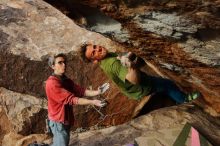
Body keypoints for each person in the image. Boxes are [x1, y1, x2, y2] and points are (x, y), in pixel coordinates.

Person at [79, 43, 200, 104]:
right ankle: (184, 100)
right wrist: (132, 65)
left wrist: (130, 55)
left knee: (163, 84)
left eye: (95, 47)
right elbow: (134, 80)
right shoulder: (111, 63)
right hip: (141, 87)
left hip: (133, 89)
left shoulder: (105, 59)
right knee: (168, 84)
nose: (98, 49)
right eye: (93, 53)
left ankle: (175, 98)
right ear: (95, 61)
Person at [45, 53, 109, 146]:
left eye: (64, 62)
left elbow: (81, 91)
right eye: (60, 63)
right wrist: (92, 102)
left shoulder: (65, 80)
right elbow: (72, 99)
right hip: (58, 121)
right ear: (53, 66)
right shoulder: (52, 84)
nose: (64, 65)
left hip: (65, 119)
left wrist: (98, 92)